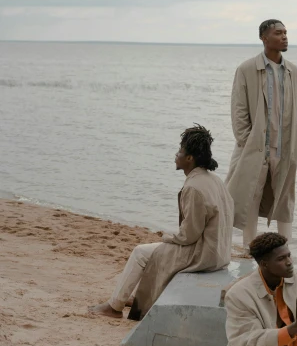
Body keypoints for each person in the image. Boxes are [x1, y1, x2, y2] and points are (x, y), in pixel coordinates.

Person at [89, 125, 234, 319]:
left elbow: (189, 235)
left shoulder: (194, 187)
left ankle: (114, 307)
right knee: (156, 251)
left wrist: (168, 237)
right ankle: (134, 296)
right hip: (220, 252)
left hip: (204, 255)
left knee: (141, 252)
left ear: (190, 158)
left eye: (180, 152)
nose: (176, 156)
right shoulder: (214, 180)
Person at [226, 19, 297, 248]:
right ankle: (250, 250)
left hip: (286, 147)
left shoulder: (294, 72)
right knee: (250, 198)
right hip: (254, 148)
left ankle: (284, 252)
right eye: (278, 33)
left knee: (284, 201)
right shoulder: (247, 69)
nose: (284, 37)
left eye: (286, 33)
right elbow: (238, 109)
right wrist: (246, 141)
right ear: (264, 38)